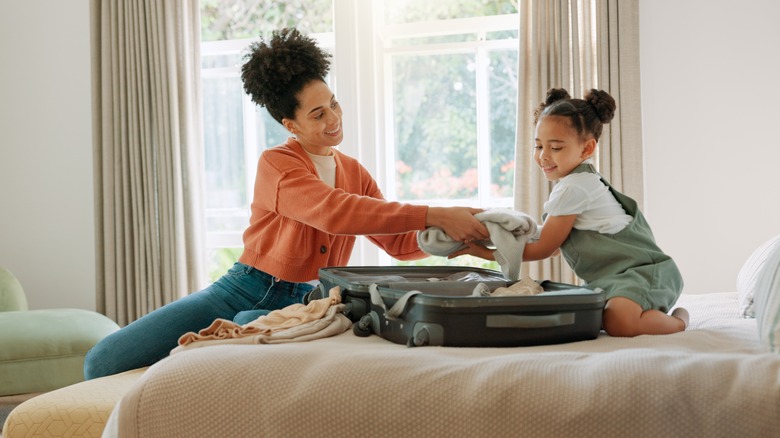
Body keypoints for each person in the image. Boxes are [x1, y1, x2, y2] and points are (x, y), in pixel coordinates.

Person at [84, 28, 489, 380]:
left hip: (311, 303)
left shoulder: (355, 171)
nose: (333, 117)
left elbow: (399, 243)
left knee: (239, 342)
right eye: (318, 113)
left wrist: (461, 240)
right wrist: (436, 212)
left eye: (334, 102)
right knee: (102, 362)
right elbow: (334, 210)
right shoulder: (278, 163)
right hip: (243, 288)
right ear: (291, 125)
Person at [450, 88, 688, 337]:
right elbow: (555, 246)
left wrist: (487, 254)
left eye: (556, 148)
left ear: (586, 149)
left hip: (643, 274)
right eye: (538, 145)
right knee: (592, 317)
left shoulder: (574, 188)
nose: (543, 156)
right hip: (612, 280)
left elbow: (544, 248)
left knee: (620, 323)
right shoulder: (576, 182)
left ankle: (680, 321)